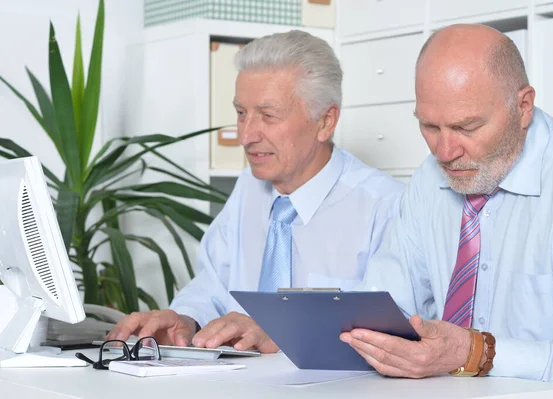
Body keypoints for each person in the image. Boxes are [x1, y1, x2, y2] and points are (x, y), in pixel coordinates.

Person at [340, 24, 553, 395]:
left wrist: (476, 353)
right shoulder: (430, 179)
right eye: (429, 126)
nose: (444, 152)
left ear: (523, 106)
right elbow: (386, 306)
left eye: (467, 127)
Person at [108, 30, 404, 352]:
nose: (246, 136)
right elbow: (213, 285)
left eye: (267, 116)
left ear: (325, 122)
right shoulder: (249, 185)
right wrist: (185, 319)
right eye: (241, 113)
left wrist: (280, 332)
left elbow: (390, 336)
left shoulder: (385, 207)